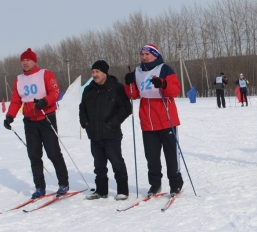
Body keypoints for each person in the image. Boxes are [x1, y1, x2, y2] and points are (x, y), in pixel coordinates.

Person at [3, 48, 69, 198]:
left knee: (53, 153)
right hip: (29, 121)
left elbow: (55, 92)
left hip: (46, 117)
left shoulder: (45, 74)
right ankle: (39, 187)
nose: (25, 63)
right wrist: (9, 116)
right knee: (34, 155)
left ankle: (63, 183)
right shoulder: (19, 79)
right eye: (23, 60)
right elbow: (15, 100)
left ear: (34, 61)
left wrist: (45, 101)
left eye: (28, 60)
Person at [124, 43, 183, 196]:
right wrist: (128, 82)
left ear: (155, 55)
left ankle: (176, 185)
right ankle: (155, 185)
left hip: (166, 119)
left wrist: (163, 84)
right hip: (147, 122)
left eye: (147, 54)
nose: (144, 57)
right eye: (142, 54)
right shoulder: (137, 71)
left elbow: (176, 90)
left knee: (171, 156)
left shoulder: (164, 69)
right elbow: (133, 95)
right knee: (152, 159)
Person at [79, 60, 132, 200]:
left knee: (117, 163)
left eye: (97, 72)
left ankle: (123, 191)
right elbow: (82, 108)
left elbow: (126, 109)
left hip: (111, 134)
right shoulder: (88, 89)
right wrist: (86, 124)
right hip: (94, 135)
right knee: (99, 166)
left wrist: (111, 123)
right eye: (93, 72)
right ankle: (101, 191)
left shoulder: (117, 88)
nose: (94, 75)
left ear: (105, 72)